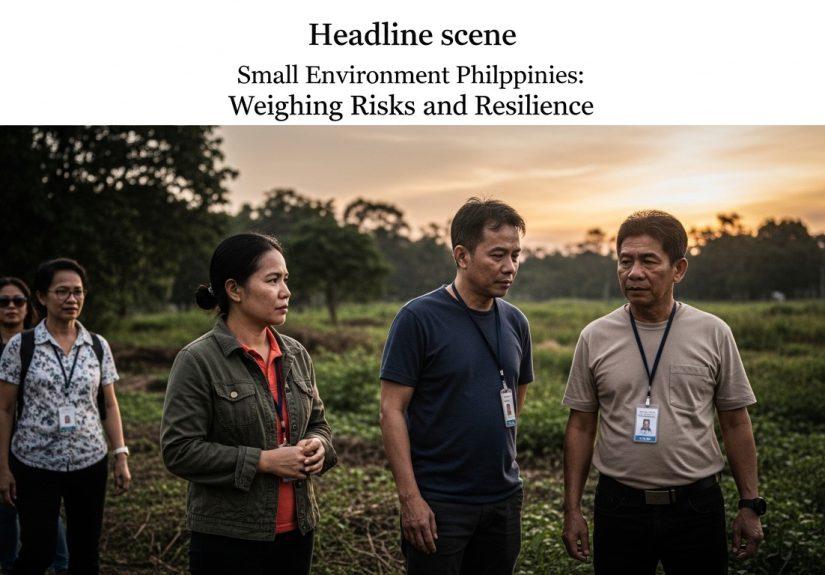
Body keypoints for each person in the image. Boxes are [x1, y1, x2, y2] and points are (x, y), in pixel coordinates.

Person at [561, 210, 765, 575]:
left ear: (679, 269)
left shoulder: (713, 332)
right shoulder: (595, 337)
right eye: (625, 261)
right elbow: (580, 426)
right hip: (619, 506)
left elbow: (735, 422)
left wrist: (749, 504)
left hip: (697, 507)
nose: (633, 272)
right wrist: (572, 509)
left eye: (648, 261)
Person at [161, 233, 337, 575]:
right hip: (228, 537)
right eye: (272, 280)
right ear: (235, 290)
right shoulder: (197, 360)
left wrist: (320, 445)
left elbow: (319, 423)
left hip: (298, 530)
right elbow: (179, 450)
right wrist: (263, 461)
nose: (286, 292)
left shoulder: (295, 354)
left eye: (285, 280)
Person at [380, 198, 533, 575]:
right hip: (440, 504)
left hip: (503, 499)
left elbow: (518, 393)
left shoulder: (516, 322)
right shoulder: (418, 318)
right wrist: (411, 499)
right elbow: (391, 410)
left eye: (515, 255)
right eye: (497, 255)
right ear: (462, 256)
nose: (509, 267)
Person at [0, 260, 132, 575]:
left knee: (86, 554)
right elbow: (4, 409)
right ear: (42, 297)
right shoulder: (22, 346)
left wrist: (121, 455)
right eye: (62, 292)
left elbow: (110, 405)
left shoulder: (97, 346)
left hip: (90, 461)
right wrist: (2, 467)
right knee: (38, 551)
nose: (71, 299)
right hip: (34, 463)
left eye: (77, 292)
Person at [0, 278, 69, 575]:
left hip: (37, 447)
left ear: (30, 305)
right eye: (3, 301)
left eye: (19, 301)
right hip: (3, 444)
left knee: (44, 512)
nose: (12, 307)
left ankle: (60, 564)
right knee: (6, 513)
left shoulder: (41, 345)